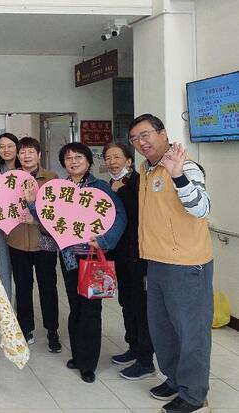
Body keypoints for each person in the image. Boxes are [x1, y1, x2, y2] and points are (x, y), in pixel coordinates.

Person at [129, 114, 213, 412]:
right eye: (135, 138)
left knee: (191, 332)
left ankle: (194, 395)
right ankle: (175, 380)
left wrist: (178, 175)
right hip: (157, 260)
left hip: (187, 263)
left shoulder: (185, 166)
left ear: (163, 133)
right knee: (162, 328)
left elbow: (202, 207)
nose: (141, 142)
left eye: (146, 134)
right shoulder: (146, 169)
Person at [26, 142, 125, 383]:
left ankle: (88, 364)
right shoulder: (60, 188)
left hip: (93, 258)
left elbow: (119, 217)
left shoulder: (101, 188)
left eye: (78, 157)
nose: (73, 161)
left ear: (89, 161)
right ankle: (79, 355)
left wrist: (104, 241)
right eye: (68, 158)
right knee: (76, 307)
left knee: (91, 310)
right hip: (70, 258)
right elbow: (48, 218)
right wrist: (32, 203)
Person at [102, 142, 155, 380]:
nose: (112, 161)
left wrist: (119, 191)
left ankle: (146, 360)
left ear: (129, 160)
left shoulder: (137, 182)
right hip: (120, 255)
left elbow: (138, 214)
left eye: (117, 157)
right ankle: (133, 347)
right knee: (126, 302)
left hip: (138, 255)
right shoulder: (109, 184)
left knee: (140, 306)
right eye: (108, 157)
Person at [7, 137, 62, 352]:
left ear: (38, 155)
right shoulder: (10, 178)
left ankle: (52, 331)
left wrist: (37, 219)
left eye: (31, 152)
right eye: (22, 152)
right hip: (17, 241)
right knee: (23, 287)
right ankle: (25, 328)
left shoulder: (51, 178)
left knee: (48, 288)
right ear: (18, 155)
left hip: (44, 242)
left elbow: (57, 211)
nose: (26, 156)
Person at [0, 133, 19, 302]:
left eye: (10, 146)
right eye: (2, 147)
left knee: (22, 275)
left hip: (22, 228)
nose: (6, 150)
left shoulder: (25, 171)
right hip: (0, 228)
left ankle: (21, 311)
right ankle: (6, 308)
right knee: (3, 269)